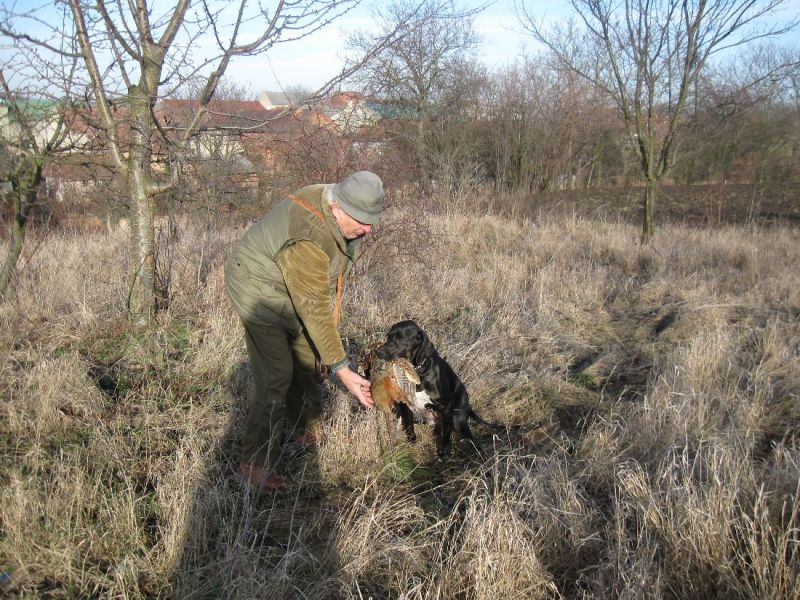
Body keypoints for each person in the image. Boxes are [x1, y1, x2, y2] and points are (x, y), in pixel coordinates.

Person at [225, 171, 383, 490]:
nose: (368, 229)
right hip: (258, 287)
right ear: (338, 207)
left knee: (308, 357)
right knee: (277, 375)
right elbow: (313, 306)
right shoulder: (306, 238)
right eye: (362, 220)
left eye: (372, 220)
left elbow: (321, 290)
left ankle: (305, 428)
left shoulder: (334, 203)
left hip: (289, 283)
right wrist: (343, 369)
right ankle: (253, 464)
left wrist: (327, 354)